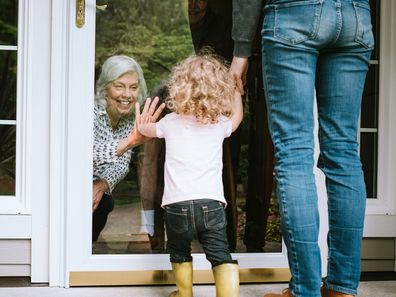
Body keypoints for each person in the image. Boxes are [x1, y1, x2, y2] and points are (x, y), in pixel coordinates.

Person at [230, 0, 374, 297]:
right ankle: (342, 288)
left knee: (294, 153)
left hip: (293, 14)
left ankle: (305, 290)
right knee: (344, 151)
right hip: (355, 16)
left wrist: (241, 50)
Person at [136, 53, 243, 297]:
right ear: (219, 90)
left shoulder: (170, 122)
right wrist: (237, 93)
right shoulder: (218, 124)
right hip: (211, 203)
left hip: (177, 204)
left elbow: (146, 129)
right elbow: (237, 119)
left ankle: (184, 294)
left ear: (179, 87)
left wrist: (142, 122)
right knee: (219, 253)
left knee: (179, 250)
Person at [92, 55, 165, 242]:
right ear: (105, 88)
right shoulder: (90, 112)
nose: (127, 95)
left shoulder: (128, 118)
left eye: (133, 87)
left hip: (95, 193)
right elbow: (84, 154)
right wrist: (130, 141)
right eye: (119, 86)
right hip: (68, 189)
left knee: (105, 202)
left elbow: (122, 165)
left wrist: (102, 184)